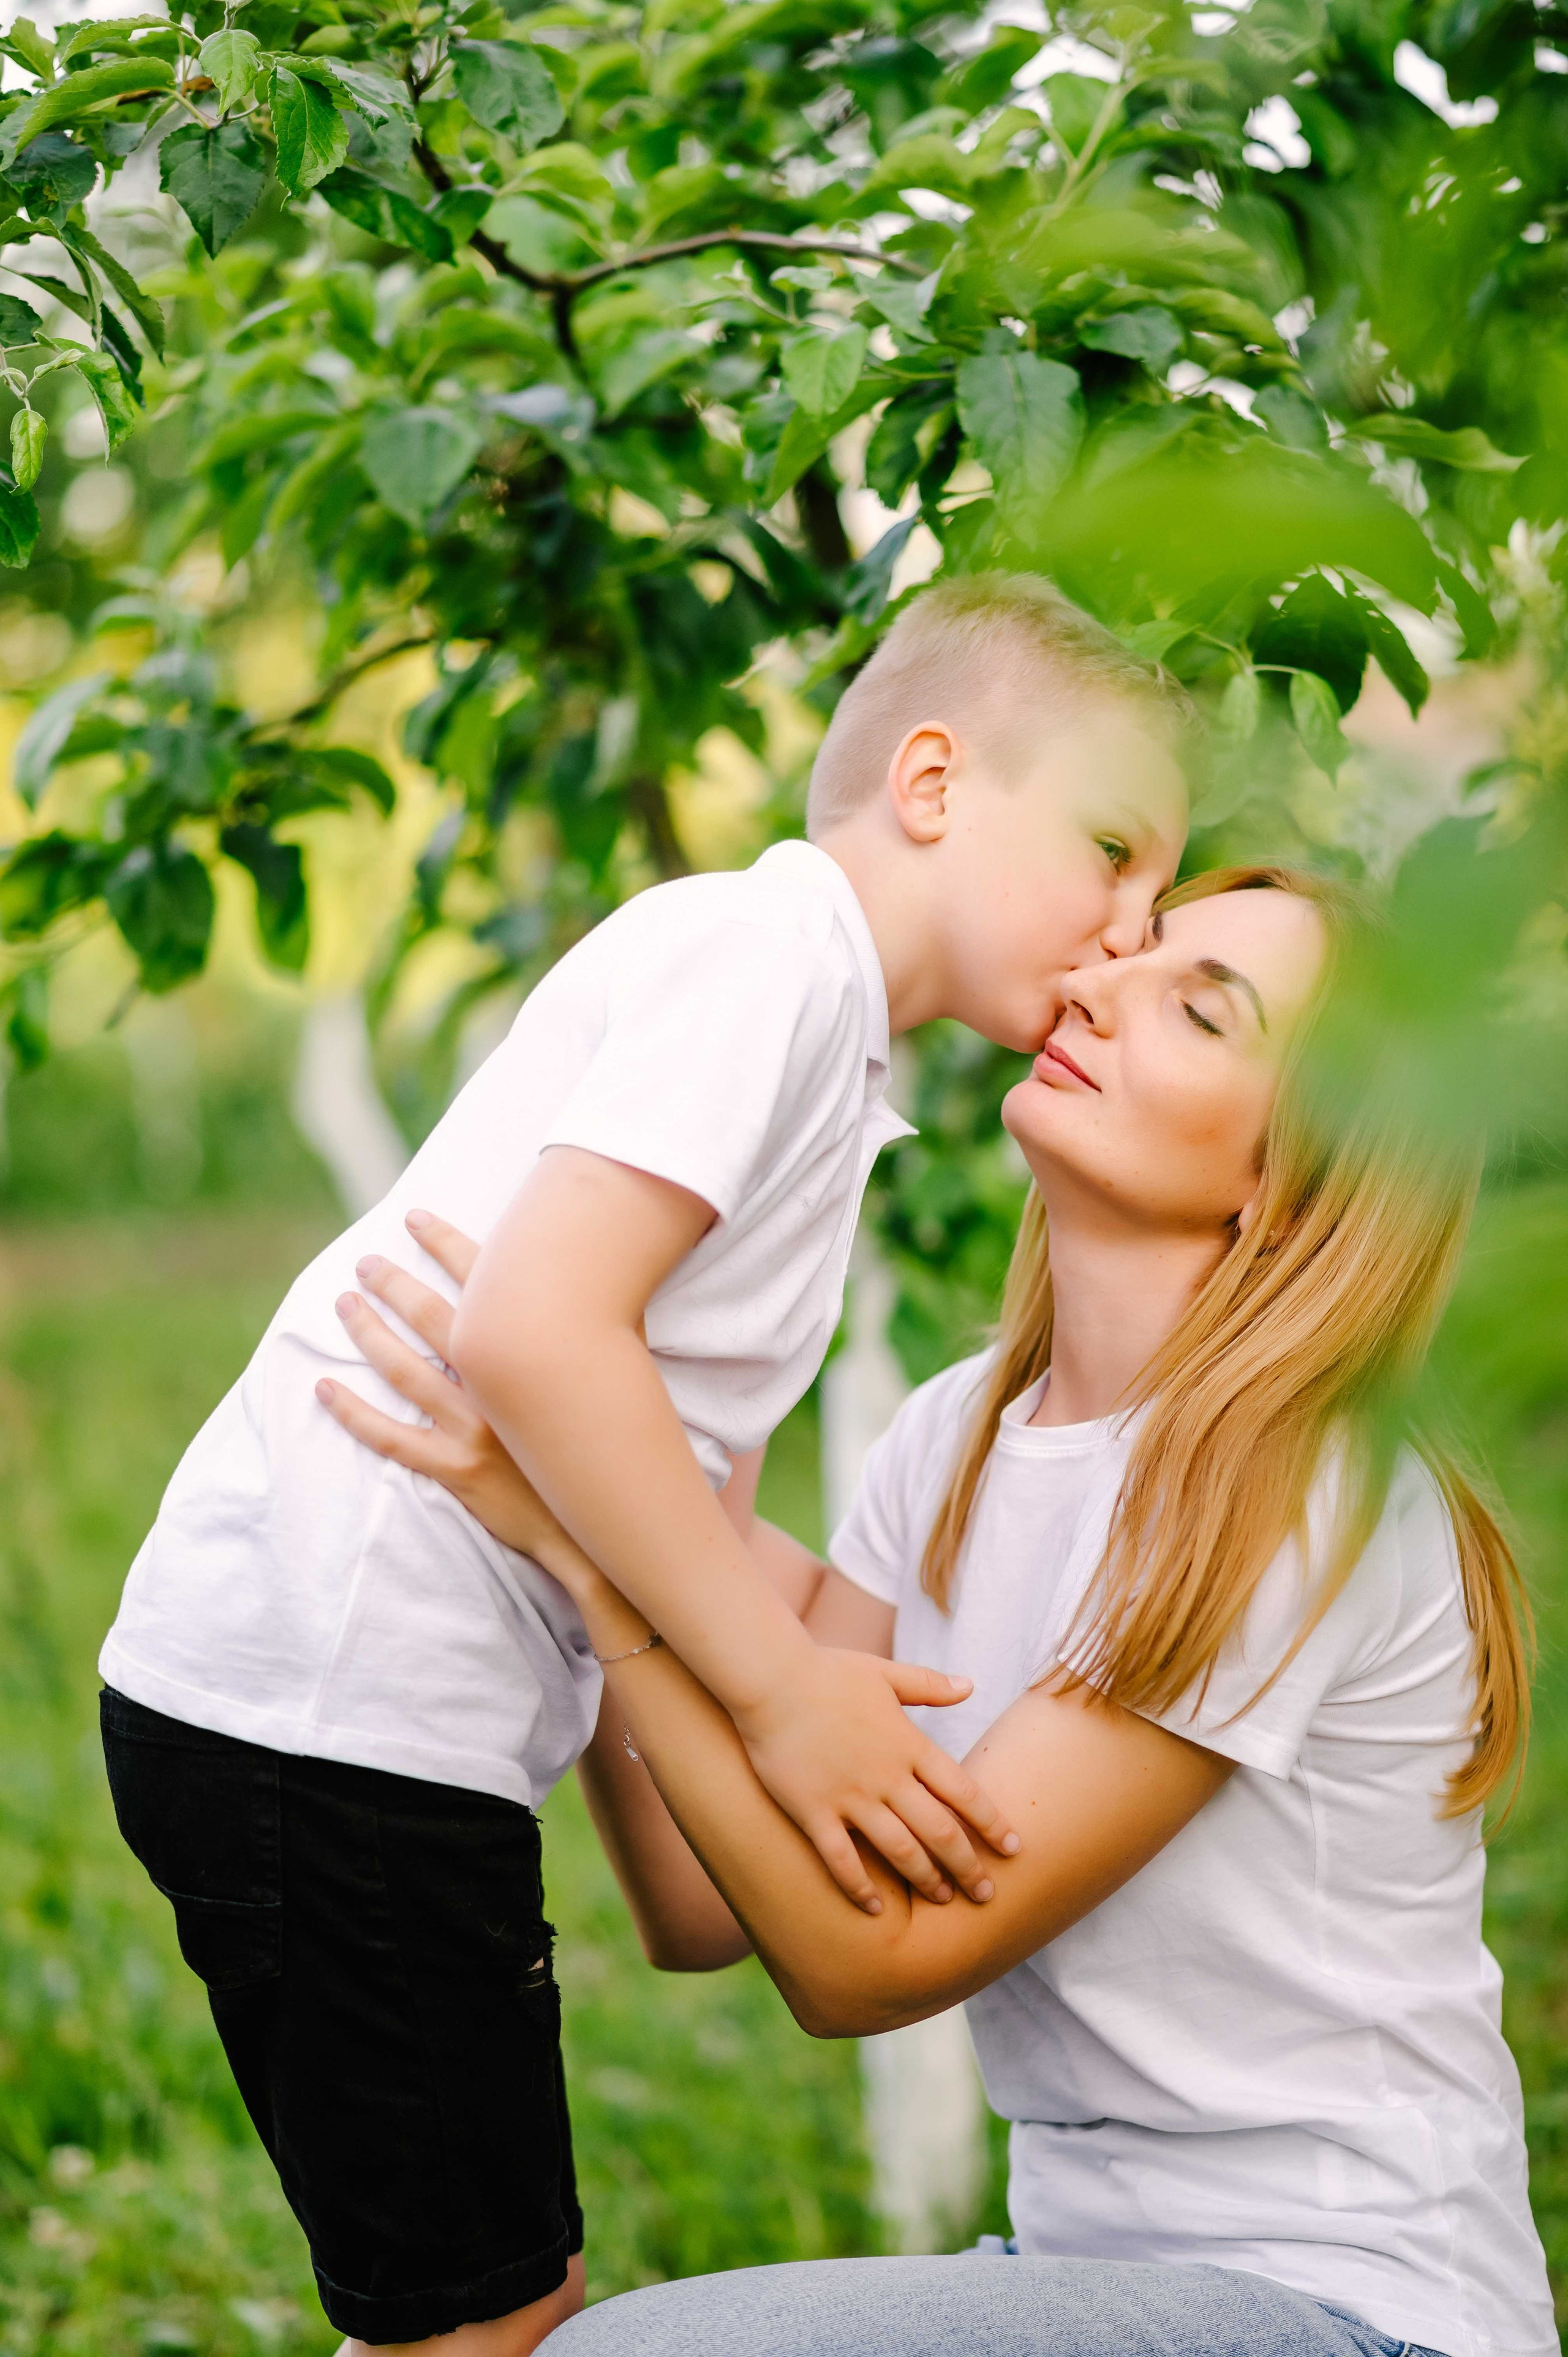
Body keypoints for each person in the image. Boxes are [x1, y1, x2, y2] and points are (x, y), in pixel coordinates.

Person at [95, 573, 1190, 2355]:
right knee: (485, 2330)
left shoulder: (827, 1076)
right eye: (1116, 852)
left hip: (364, 1731)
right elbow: (531, 1334)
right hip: (332, 1710)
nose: (1130, 931)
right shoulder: (765, 960)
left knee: (493, 2314)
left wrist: (775, 1746)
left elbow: (689, 1901)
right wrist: (781, 1691)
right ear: (934, 785)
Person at [324, 864, 1553, 2357]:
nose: (1097, 983)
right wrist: (616, 1439)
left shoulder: (1296, 1490)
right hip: (1079, 2270)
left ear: (1291, 1177)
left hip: (1350, 2308)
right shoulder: (958, 1435)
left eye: (1197, 1011)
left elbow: (868, 1964)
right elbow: (706, 1906)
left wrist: (596, 1558)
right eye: (1138, 949)